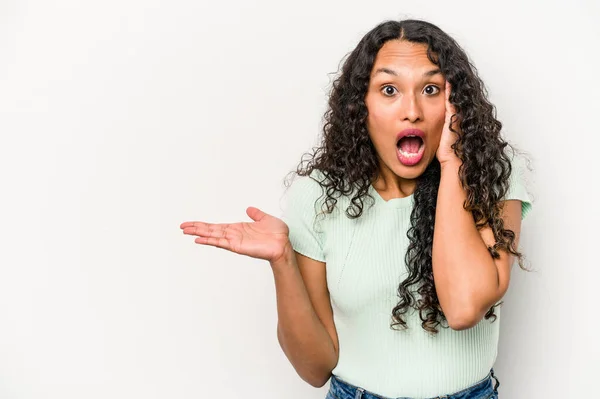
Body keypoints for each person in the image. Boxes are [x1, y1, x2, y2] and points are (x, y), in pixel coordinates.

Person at [180, 19, 532, 399]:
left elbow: (463, 309)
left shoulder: (489, 175)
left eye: (430, 89)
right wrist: (282, 261)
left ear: (454, 106)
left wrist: (451, 164)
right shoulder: (318, 197)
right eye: (389, 90)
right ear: (360, 104)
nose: (411, 111)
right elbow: (315, 368)